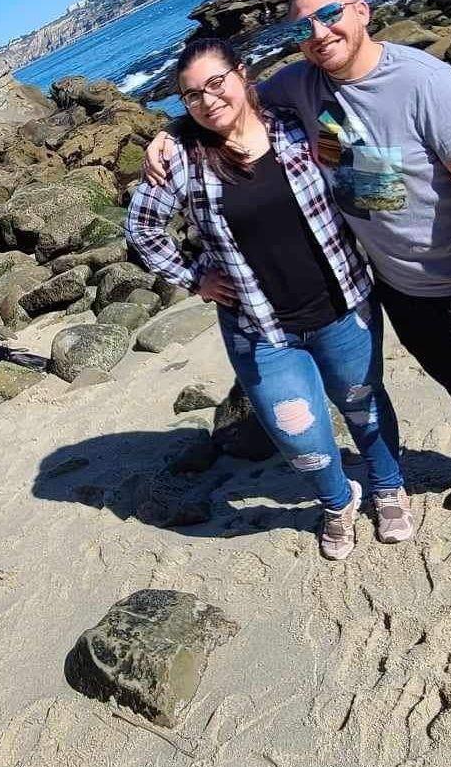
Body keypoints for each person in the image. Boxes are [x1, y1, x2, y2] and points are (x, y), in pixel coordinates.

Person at [145, 0, 451, 550]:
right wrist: (169, 134)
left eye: (330, 14)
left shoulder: (424, 82)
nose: (319, 32)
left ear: (362, 11)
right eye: (304, 26)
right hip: (397, 283)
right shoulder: (300, 85)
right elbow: (225, 102)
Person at [125, 32, 414, 561]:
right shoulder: (183, 159)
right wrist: (194, 277)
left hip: (343, 304)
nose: (209, 100)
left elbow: (376, 182)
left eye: (217, 83)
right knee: (297, 434)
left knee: (363, 405)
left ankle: (388, 484)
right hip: (259, 329)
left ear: (242, 74)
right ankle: (337, 500)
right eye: (192, 95)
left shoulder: (299, 125)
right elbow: (142, 228)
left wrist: (406, 241)